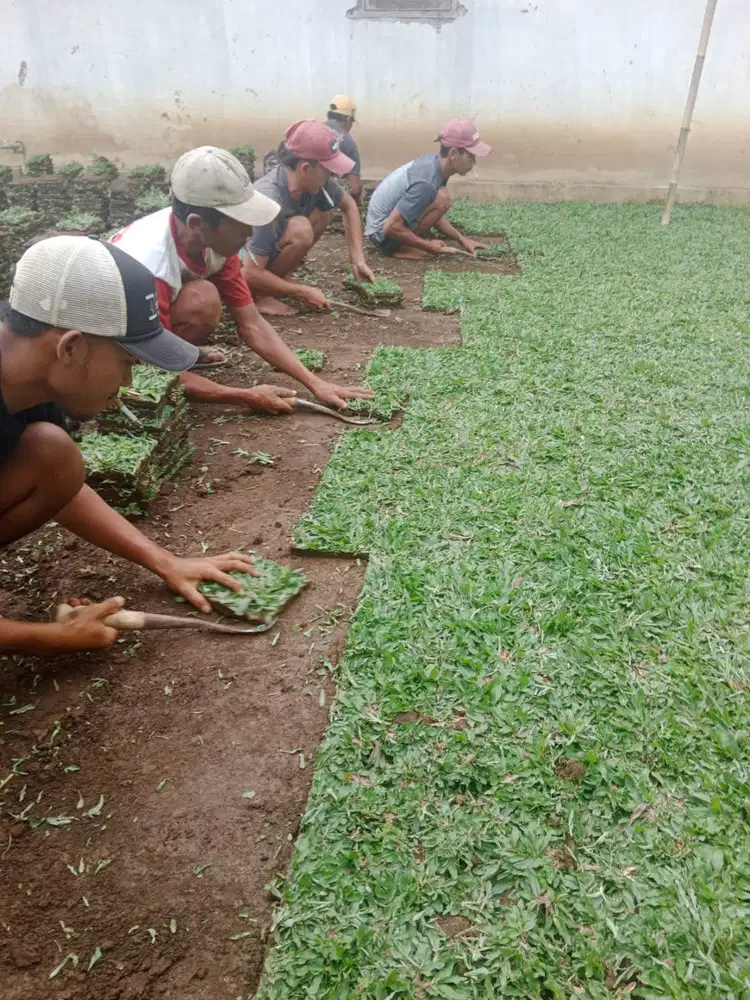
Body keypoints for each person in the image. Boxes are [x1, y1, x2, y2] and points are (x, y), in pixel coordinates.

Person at [0, 235, 264, 656]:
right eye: (126, 363)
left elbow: (61, 486)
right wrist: (52, 638)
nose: (127, 383)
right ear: (70, 348)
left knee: (54, 454)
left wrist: (165, 561)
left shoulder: (30, 370)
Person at [112, 146, 372, 411]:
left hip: (150, 318)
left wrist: (316, 384)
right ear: (197, 224)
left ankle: (182, 359)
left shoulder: (213, 244)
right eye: (240, 223)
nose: (250, 232)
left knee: (203, 297)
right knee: (150, 365)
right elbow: (158, 372)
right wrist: (244, 396)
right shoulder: (150, 268)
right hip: (108, 340)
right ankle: (144, 366)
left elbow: (251, 323)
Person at [242, 120, 375, 318]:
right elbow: (249, 272)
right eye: (328, 168)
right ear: (305, 168)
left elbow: (349, 206)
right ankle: (259, 297)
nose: (332, 174)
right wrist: (301, 292)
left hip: (265, 255)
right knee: (301, 229)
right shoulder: (268, 200)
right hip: (244, 267)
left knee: (323, 214)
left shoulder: (317, 182)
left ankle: (279, 280)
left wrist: (358, 260)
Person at [365, 118, 492, 260]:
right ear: (453, 154)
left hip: (382, 226)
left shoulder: (434, 163)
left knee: (441, 199)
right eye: (470, 156)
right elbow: (391, 227)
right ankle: (400, 248)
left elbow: (430, 210)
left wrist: (461, 239)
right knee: (442, 199)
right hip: (381, 235)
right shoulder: (426, 184)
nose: (474, 162)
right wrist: (430, 247)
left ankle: (405, 243)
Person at [326, 95, 363, 206]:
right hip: (329, 200)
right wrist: (356, 204)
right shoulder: (348, 142)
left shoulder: (316, 130)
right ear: (347, 119)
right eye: (352, 121)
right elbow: (355, 188)